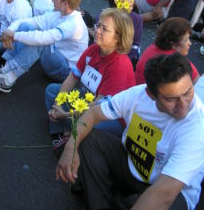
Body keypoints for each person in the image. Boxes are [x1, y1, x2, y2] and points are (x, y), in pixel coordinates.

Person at [56, 52, 204, 210]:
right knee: (89, 138)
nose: (183, 105)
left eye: (188, 92)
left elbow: (164, 194)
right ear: (151, 95)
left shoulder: (197, 128)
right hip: (131, 165)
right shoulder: (138, 95)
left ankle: (119, 198)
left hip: (170, 190)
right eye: (171, 99)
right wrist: (70, 147)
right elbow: (92, 114)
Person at [0, 0, 88, 93]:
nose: (52, 1)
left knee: (43, 42)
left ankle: (9, 79)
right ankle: (5, 69)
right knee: (25, 27)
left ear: (65, 4)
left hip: (66, 73)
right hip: (55, 60)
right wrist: (11, 30)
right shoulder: (59, 14)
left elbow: (44, 38)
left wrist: (15, 36)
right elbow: (27, 21)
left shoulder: (74, 24)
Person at [46, 8, 135, 138]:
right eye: (98, 25)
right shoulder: (93, 49)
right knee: (52, 91)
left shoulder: (119, 65)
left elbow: (97, 107)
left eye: (104, 29)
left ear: (118, 38)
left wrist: (65, 114)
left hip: (111, 117)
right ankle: (62, 132)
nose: (97, 31)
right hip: (87, 99)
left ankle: (69, 133)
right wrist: (58, 104)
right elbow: (72, 77)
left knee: (87, 123)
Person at [135, 17, 199, 85]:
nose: (190, 43)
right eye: (186, 40)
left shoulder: (152, 47)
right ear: (172, 43)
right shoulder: (175, 60)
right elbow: (198, 82)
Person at [108, 0, 143, 69]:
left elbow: (135, 45)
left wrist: (122, 62)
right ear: (116, 1)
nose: (131, 1)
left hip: (127, 57)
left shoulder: (137, 19)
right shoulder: (106, 17)